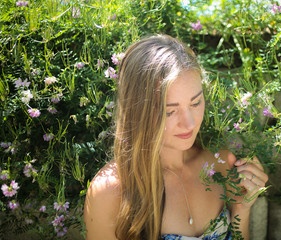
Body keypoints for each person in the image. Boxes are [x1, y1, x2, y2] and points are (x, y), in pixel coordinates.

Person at [83, 34, 268, 240]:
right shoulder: (109, 193)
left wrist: (241, 209)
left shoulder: (221, 165)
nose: (189, 123)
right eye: (169, 111)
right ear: (138, 112)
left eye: (195, 103)